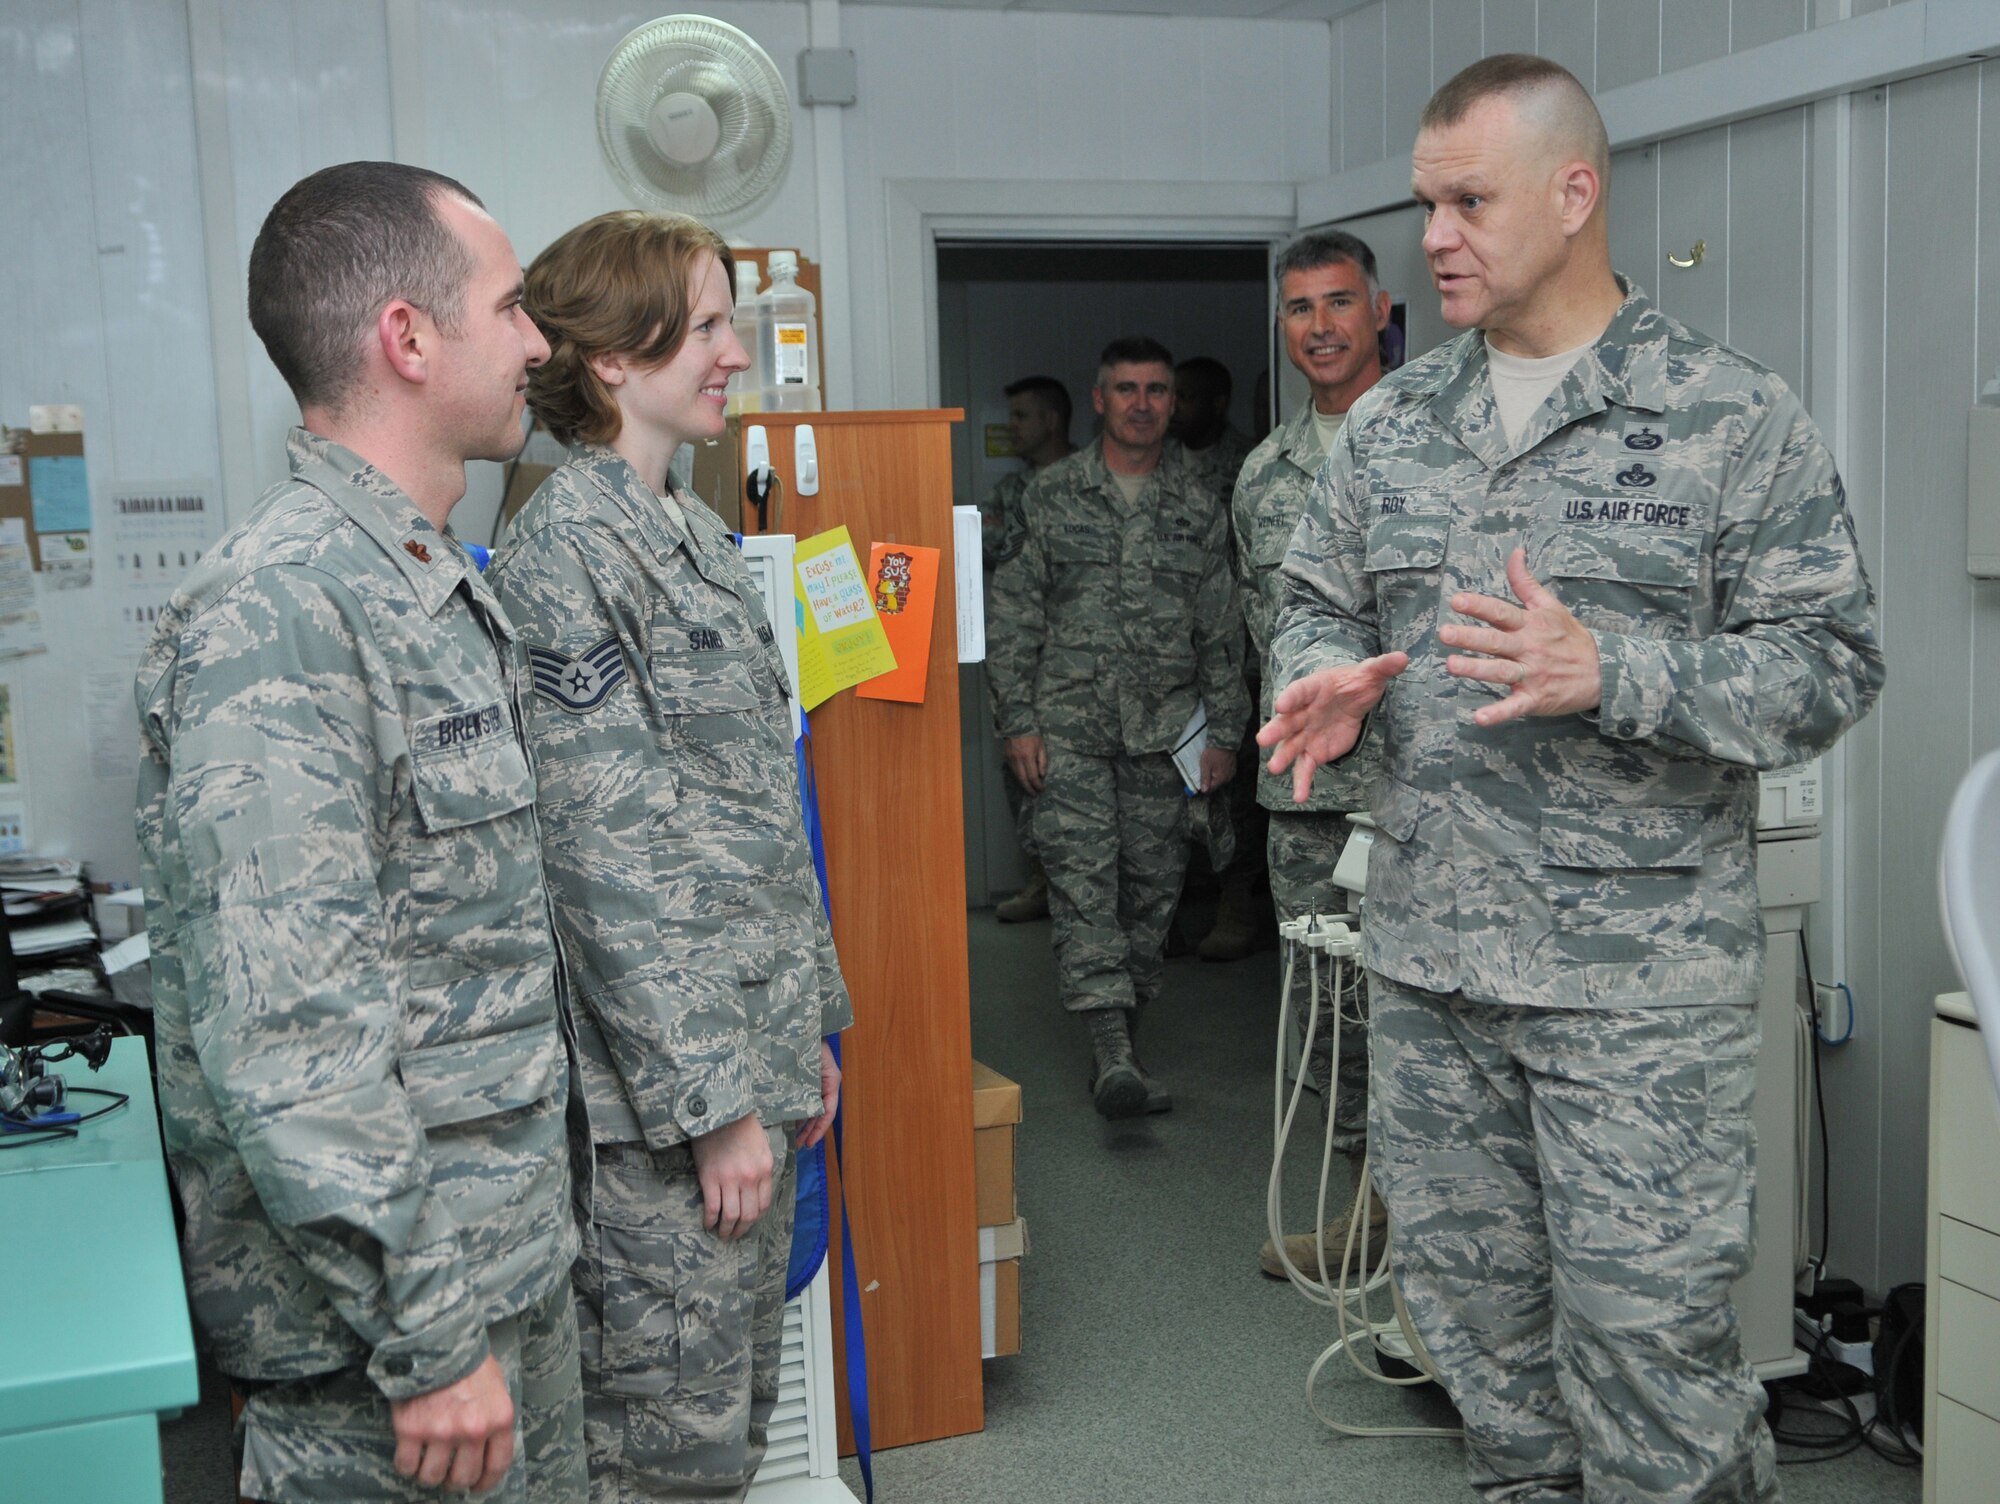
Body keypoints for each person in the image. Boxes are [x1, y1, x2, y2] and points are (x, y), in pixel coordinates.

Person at [1262, 55, 1884, 1503]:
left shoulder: (1729, 418)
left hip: (1633, 1007)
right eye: (1427, 204)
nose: (1438, 237)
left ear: (1574, 192)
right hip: (1429, 975)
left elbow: (1833, 667)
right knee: (1491, 1374)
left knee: (1650, 1370)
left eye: (1470, 200)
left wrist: (1622, 670)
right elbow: (1313, 602)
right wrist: (1321, 681)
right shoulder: (1396, 428)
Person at [135, 161, 585, 1502]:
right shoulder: (283, 610)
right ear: (407, 337)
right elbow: (292, 1031)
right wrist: (429, 1335)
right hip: (389, 1360)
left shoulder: (424, 586)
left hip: (500, 1279)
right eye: (509, 309)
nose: (538, 344)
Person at [490, 210, 851, 1502]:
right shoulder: (565, 553)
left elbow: (756, 814)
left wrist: (806, 1026)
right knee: (663, 1454)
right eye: (706, 327)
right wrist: (712, 1107)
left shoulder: (690, 533)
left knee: (730, 1427)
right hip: (667, 1115)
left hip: (752, 1060)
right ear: (613, 360)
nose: (736, 356)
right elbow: (609, 866)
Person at [989, 336, 1246, 1118]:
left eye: (1158, 391)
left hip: (1166, 739)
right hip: (1067, 733)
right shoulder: (1053, 494)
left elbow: (1222, 628)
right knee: (1085, 893)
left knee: (1151, 902)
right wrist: (1018, 722)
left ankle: (1123, 1034)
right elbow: (1014, 615)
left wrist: (1226, 736)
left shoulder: (1202, 502)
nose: (1143, 404)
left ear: (1173, 402)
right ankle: (1112, 1056)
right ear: (1098, 399)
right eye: (1126, 389)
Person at [1235, 229, 1393, 1281]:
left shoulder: (1431, 442)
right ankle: (1364, 1214)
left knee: (1416, 1012)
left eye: (1339, 303)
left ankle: (1432, 1225)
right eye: (1299, 308)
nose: (1321, 326)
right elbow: (1262, 629)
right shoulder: (1262, 472)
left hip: (1415, 791)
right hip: (1305, 796)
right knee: (1327, 1018)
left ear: (1381, 310)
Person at [983, 376, 1075, 925]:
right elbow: (989, 541)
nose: (1011, 427)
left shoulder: (1090, 481)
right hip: (1026, 659)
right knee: (1026, 776)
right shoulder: (1011, 493)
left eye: (1021, 416)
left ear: (1052, 421)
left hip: (1084, 663)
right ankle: (1041, 881)